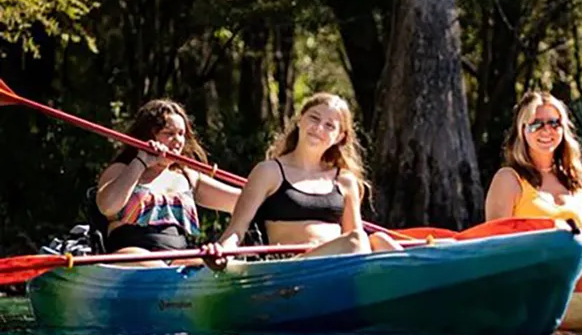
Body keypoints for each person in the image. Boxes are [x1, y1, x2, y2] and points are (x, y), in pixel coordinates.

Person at [204, 93, 401, 269]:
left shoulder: (345, 181)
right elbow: (236, 230)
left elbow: (354, 238)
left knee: (380, 240)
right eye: (314, 118)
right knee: (358, 241)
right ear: (300, 121)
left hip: (339, 267)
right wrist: (222, 252)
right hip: (290, 269)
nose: (318, 128)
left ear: (339, 137)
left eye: (329, 126)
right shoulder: (268, 172)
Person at [95, 99, 241, 264]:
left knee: (226, 266)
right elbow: (107, 207)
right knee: (155, 266)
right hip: (131, 252)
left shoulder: (187, 175)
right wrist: (141, 161)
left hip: (178, 256)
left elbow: (241, 201)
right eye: (169, 133)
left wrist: (267, 189)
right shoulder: (121, 169)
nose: (178, 141)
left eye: (181, 134)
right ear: (149, 135)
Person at [484, 91, 582, 256]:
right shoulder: (508, 179)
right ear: (522, 130)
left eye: (554, 123)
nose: (546, 130)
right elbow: (494, 248)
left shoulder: (578, 180)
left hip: (577, 276)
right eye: (536, 124)